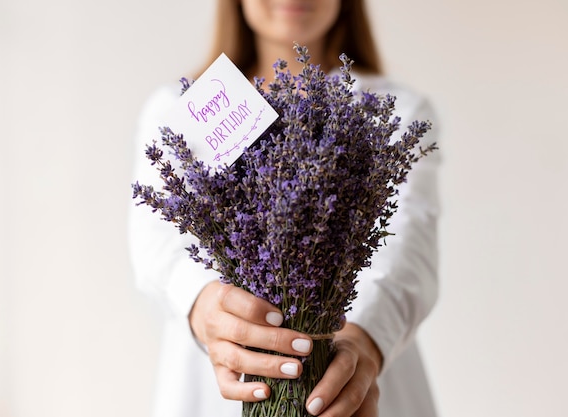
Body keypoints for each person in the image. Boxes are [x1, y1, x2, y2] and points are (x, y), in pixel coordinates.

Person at [128, 1, 441, 416]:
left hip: (352, 386)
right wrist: (205, 304)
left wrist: (363, 339)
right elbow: (156, 242)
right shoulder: (182, 107)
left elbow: (408, 244)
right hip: (215, 383)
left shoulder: (394, 109)